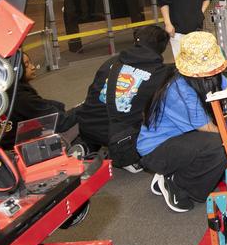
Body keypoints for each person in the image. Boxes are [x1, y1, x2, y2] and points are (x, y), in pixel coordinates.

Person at [136, 32, 227, 213]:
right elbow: (213, 130)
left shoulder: (207, 74)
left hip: (183, 140)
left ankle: (175, 171)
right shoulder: (180, 91)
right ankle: (177, 184)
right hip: (157, 149)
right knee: (221, 147)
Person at [59, 24, 171, 170]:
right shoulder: (160, 73)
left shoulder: (111, 62)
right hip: (118, 137)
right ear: (161, 48)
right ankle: (127, 154)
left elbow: (93, 91)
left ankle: (87, 146)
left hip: (87, 124)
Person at [2, 51, 65, 149]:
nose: (33, 67)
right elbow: (56, 118)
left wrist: (59, 106)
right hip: (17, 147)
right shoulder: (20, 96)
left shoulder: (10, 89)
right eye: (27, 65)